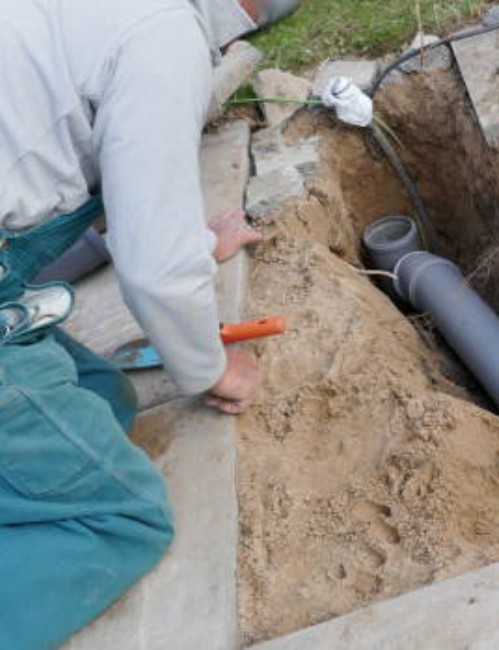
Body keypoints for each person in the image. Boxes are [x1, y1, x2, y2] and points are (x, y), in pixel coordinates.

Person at [0, 1, 298, 647]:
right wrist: (211, 365)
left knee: (104, 394)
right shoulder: (160, 36)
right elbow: (156, 271)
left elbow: (78, 161)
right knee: (115, 518)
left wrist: (188, 240)